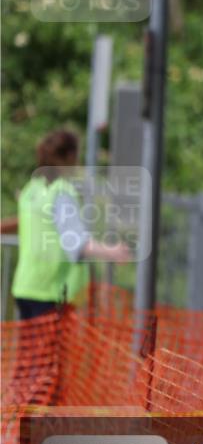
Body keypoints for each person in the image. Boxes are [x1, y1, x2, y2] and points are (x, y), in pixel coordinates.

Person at [3, 129, 130, 320]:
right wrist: (112, 251)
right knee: (48, 350)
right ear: (70, 155)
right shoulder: (62, 192)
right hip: (52, 290)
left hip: (26, 286)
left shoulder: (32, 189)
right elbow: (76, 241)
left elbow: (32, 222)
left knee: (29, 350)